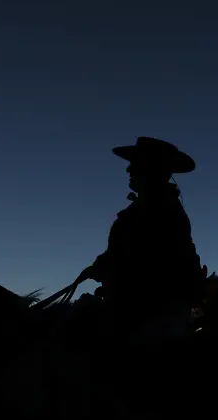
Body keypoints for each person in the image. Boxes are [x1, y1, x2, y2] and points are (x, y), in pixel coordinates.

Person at [78, 136, 205, 342]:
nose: (129, 170)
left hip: (151, 313)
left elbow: (145, 260)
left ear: (151, 170)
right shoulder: (151, 207)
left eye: (135, 165)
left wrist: (108, 269)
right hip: (143, 307)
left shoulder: (159, 209)